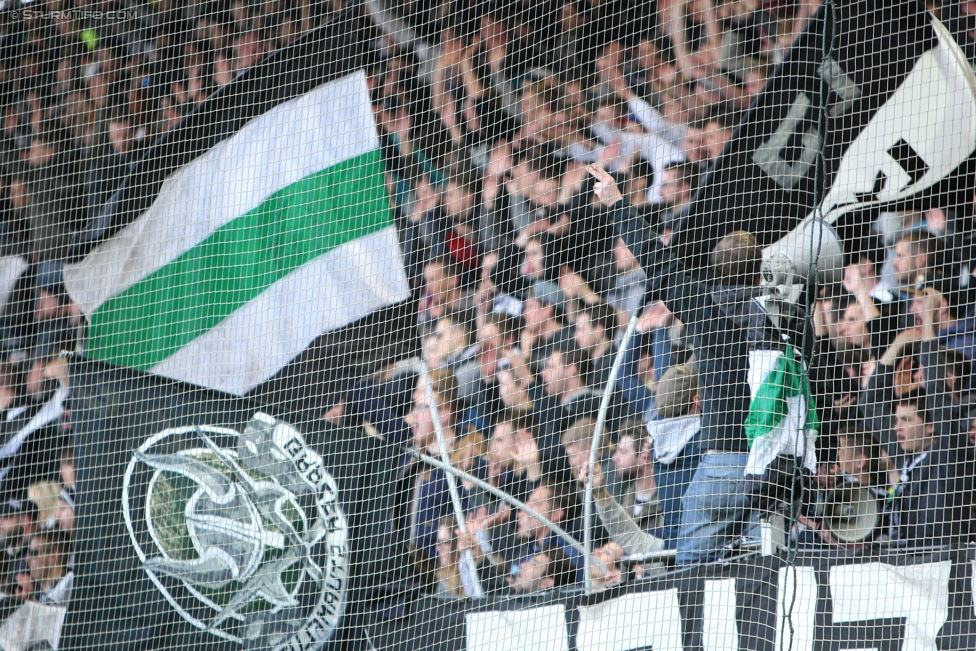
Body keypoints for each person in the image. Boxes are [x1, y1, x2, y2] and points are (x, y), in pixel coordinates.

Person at [588, 163, 812, 565]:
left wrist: (618, 204)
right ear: (760, 268)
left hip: (725, 464)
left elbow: (660, 266)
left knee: (691, 574)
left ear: (714, 269)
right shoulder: (788, 316)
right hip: (780, 465)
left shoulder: (706, 309)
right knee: (771, 565)